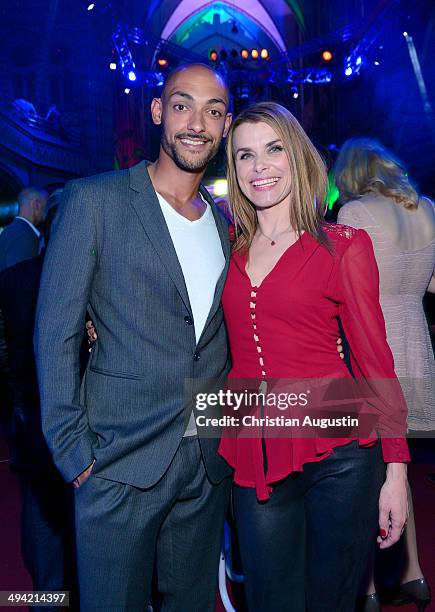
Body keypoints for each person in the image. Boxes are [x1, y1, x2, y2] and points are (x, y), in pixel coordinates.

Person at [34, 64, 234, 611]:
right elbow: (55, 333)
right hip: (118, 460)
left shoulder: (225, 225)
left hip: (206, 463)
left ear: (226, 126)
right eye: (182, 105)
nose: (197, 123)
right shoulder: (94, 203)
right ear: (156, 112)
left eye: (213, 111)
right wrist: (73, 452)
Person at [218, 102, 410, 611]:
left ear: (297, 156)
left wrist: (396, 471)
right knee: (269, 598)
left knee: (332, 600)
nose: (260, 166)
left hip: (343, 451)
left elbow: (374, 361)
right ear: (234, 170)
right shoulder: (227, 248)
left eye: (273, 149)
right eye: (245, 155)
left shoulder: (342, 245)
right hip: (256, 446)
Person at [335, 138, 434, 611]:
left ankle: (369, 587)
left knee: (369, 477)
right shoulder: (427, 209)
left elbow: (343, 294)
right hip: (419, 347)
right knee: (401, 470)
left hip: (374, 351)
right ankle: (414, 574)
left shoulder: (354, 215)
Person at [0, 191, 76, 611]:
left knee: (40, 507)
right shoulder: (82, 279)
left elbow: (4, 351)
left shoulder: (11, 279)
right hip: (71, 414)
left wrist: (16, 398)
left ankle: (47, 598)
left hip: (28, 412)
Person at [0, 186, 48, 272]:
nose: (46, 212)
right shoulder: (24, 235)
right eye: (46, 206)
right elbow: (20, 282)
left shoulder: (13, 230)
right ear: (36, 205)